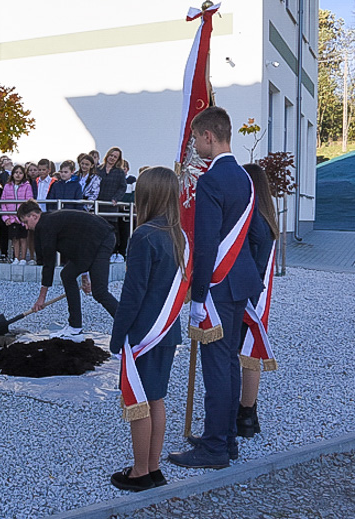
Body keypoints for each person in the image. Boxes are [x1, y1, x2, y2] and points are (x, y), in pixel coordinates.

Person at [168, 106, 264, 470]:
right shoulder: (244, 177)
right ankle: (225, 438)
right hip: (239, 283)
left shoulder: (210, 181)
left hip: (218, 287)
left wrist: (198, 294)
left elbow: (207, 242)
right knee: (228, 362)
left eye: (195, 138)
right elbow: (254, 236)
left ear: (209, 136)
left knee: (217, 367)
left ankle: (214, 448)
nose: (193, 144)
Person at [108, 167, 187, 492]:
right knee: (156, 399)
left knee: (138, 401)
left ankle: (141, 472)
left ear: (147, 195)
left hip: (144, 334)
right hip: (167, 330)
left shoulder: (143, 236)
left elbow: (133, 294)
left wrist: (117, 337)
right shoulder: (178, 235)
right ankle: (153, 467)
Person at [18, 200, 118, 338]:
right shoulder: (50, 222)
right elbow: (76, 249)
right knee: (67, 274)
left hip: (103, 238)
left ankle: (129, 327)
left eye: (25, 222)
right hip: (89, 243)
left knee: (99, 291)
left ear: (34, 216)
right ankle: (75, 327)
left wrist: (41, 298)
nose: (26, 227)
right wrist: (84, 277)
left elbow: (49, 263)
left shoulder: (46, 225)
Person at [236, 163, 279, 438]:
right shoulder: (268, 215)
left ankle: (244, 412)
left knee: (245, 353)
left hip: (247, 293)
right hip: (258, 290)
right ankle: (249, 414)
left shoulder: (252, 218)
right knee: (250, 354)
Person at [97, 147, 128, 262]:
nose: (112, 158)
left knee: (111, 229)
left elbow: (122, 187)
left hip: (111, 205)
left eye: (115, 157)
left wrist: (116, 198)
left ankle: (112, 252)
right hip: (98, 203)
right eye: (111, 155)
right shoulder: (98, 169)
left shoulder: (119, 172)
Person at [1, 165, 34, 264]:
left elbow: (29, 201)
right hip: (11, 217)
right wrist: (6, 217)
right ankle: (16, 257)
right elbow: (3, 202)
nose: (18, 175)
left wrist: (23, 218)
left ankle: (23, 258)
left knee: (23, 238)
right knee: (15, 239)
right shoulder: (7, 186)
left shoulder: (27, 186)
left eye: (20, 173)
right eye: (16, 173)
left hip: (23, 218)